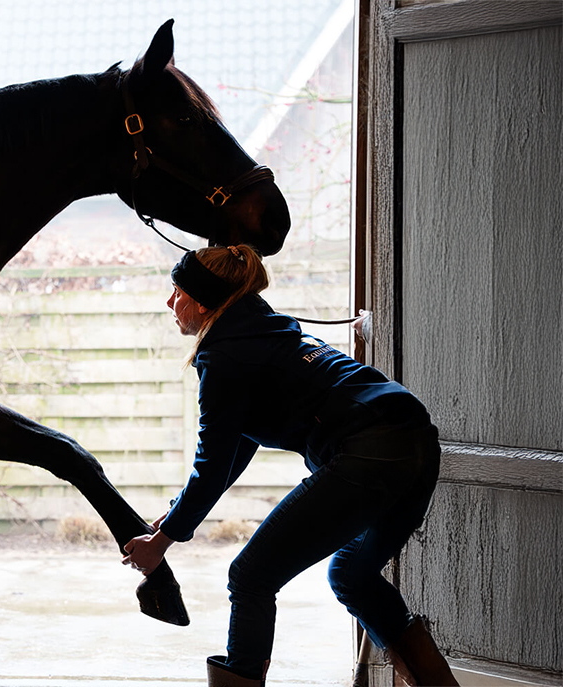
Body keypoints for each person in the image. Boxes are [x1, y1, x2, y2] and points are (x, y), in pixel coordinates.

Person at [121, 246, 458, 687]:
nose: (170, 304)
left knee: (250, 578)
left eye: (177, 293)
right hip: (414, 439)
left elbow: (214, 459)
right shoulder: (262, 332)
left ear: (203, 302)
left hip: (369, 450)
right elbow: (232, 454)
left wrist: (162, 541)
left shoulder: (224, 357)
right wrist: (177, 515)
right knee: (352, 575)